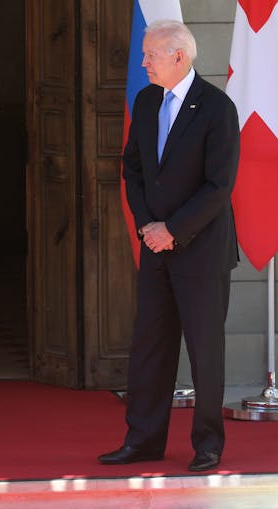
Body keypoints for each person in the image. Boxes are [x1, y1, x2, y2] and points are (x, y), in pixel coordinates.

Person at [98, 20, 240, 472]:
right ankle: (143, 439)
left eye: (150, 55)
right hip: (156, 247)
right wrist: (148, 227)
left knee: (204, 350)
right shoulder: (145, 101)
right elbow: (133, 169)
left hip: (200, 248)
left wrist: (173, 229)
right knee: (151, 347)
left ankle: (208, 445)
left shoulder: (217, 108)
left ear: (179, 56)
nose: (143, 63)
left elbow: (219, 186)